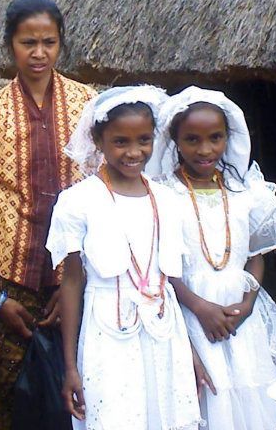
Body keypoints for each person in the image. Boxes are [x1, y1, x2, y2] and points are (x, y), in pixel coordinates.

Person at [0, 0, 95, 430]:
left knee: (77, 397)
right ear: (9, 45)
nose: (39, 53)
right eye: (27, 43)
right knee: (6, 404)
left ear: (61, 44)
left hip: (75, 280)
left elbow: (100, 196)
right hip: (10, 284)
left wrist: (73, 282)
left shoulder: (87, 106)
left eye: (49, 42)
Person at [49, 85, 203, 430]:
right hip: (107, 336)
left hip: (165, 336)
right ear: (98, 140)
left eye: (144, 140)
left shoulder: (169, 200)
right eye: (121, 142)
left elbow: (171, 285)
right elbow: (72, 283)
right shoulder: (78, 202)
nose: (134, 152)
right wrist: (71, 365)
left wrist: (189, 352)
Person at [150, 87, 276, 430]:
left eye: (215, 138)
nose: (205, 149)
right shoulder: (164, 195)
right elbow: (164, 266)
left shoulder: (249, 194)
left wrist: (247, 303)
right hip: (189, 315)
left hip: (240, 319)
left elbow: (256, 256)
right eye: (192, 139)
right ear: (175, 141)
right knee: (206, 397)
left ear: (229, 137)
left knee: (245, 398)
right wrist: (199, 308)